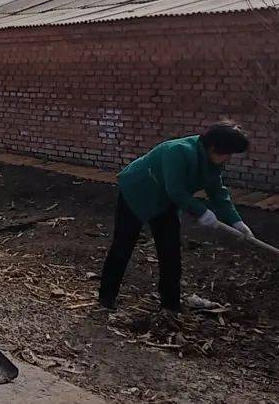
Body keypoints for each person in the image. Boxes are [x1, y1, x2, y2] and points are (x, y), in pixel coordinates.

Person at [98, 120, 254, 312]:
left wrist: (236, 221)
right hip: (137, 192)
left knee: (170, 251)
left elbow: (218, 193)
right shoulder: (178, 151)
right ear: (213, 147)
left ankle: (170, 304)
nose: (228, 158)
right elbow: (176, 190)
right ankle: (106, 297)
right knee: (123, 245)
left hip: (165, 201)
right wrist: (201, 211)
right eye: (227, 153)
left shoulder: (212, 163)